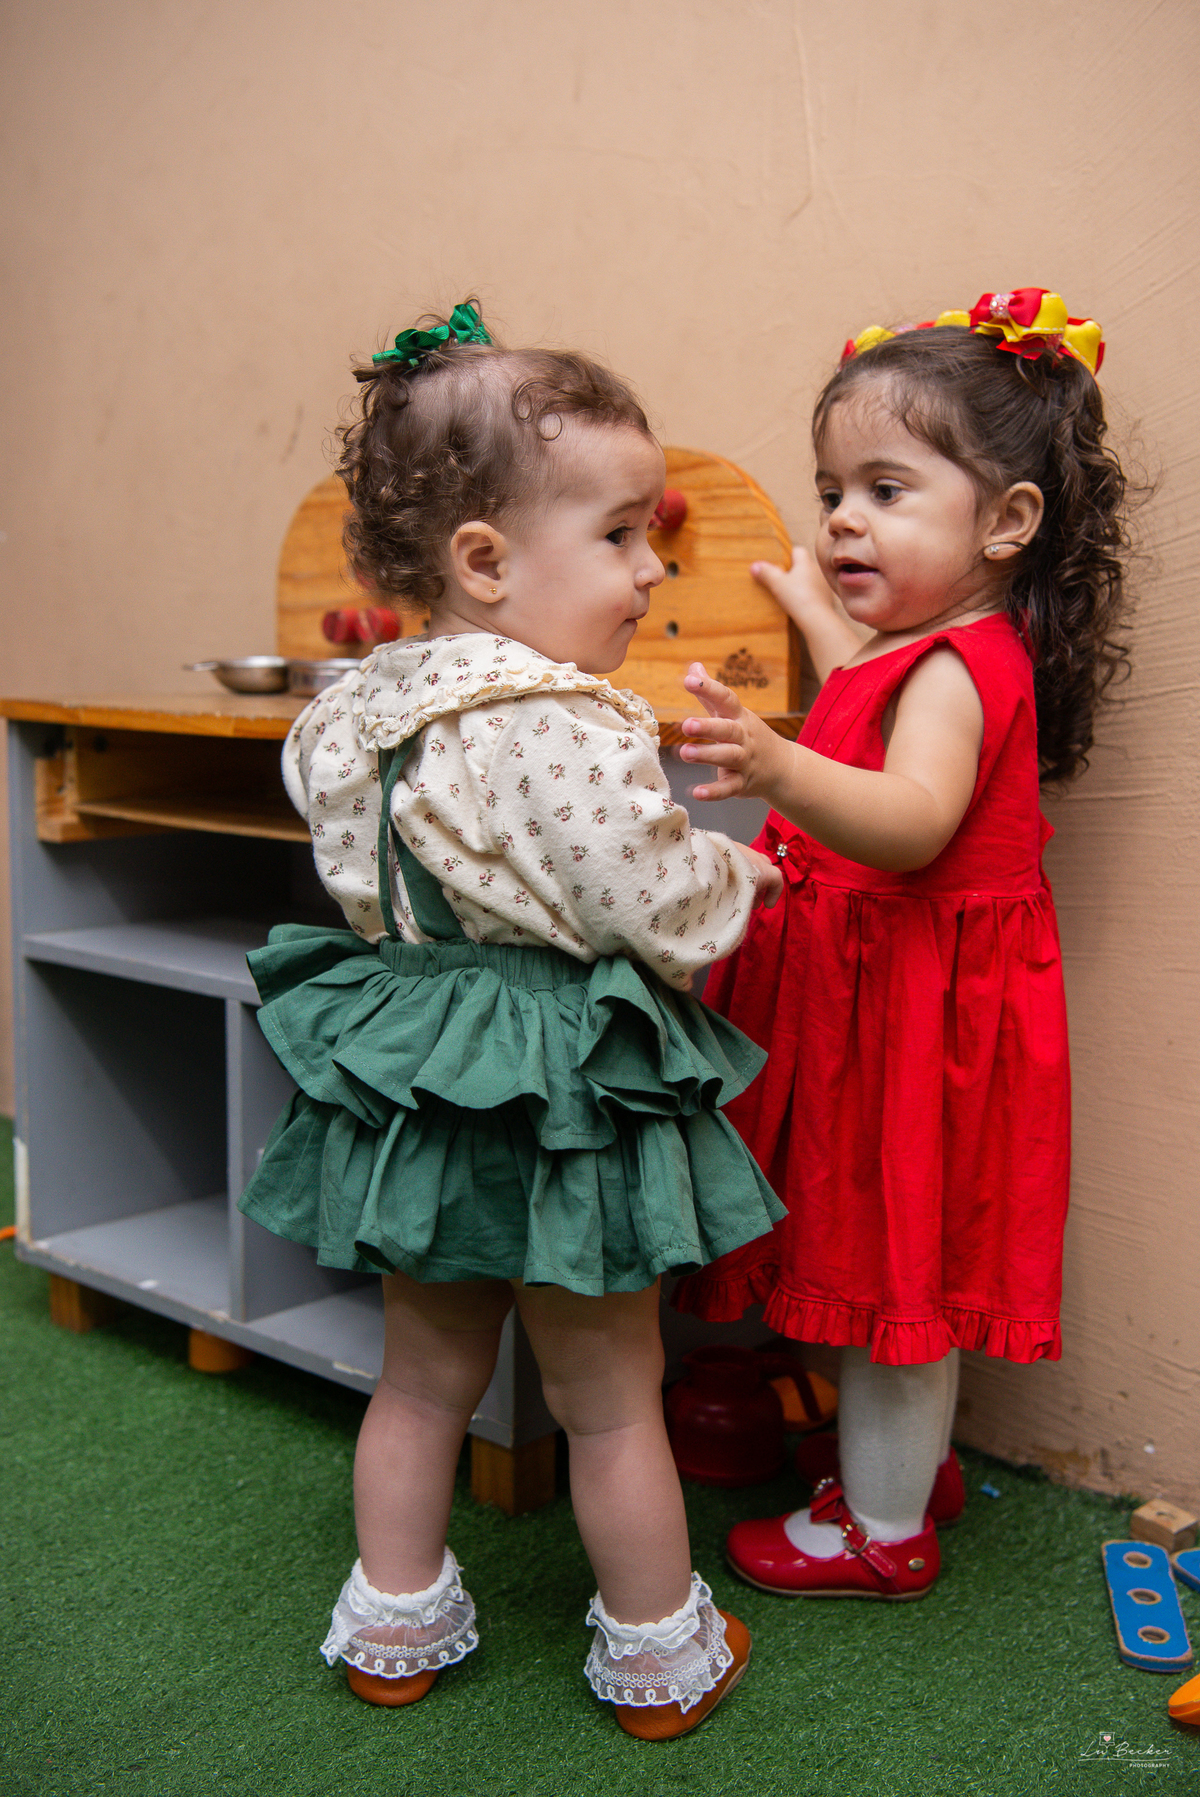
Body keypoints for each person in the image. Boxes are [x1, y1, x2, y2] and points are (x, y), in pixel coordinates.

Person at [238, 302, 785, 1736]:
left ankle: (394, 1626)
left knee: (422, 1380)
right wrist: (740, 870)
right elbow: (645, 901)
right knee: (609, 1395)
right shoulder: (562, 718)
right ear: (485, 561)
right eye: (619, 535)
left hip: (422, 1065)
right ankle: (659, 1650)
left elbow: (363, 867)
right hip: (556, 1077)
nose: (649, 568)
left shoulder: (354, 711)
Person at [672, 290, 1132, 1599]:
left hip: (915, 1020)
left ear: (1007, 521)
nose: (841, 519)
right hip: (888, 1006)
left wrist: (776, 765)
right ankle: (905, 1472)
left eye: (884, 490)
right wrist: (801, 599)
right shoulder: (924, 647)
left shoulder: (954, 669)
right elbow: (859, 675)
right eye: (832, 491)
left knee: (893, 1279)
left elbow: (916, 820)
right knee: (887, 1258)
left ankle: (883, 1532)